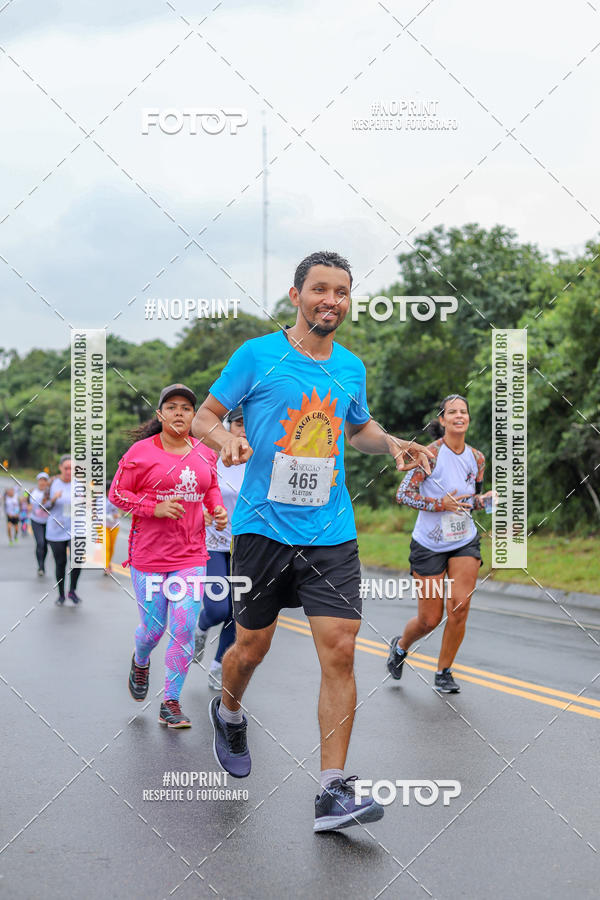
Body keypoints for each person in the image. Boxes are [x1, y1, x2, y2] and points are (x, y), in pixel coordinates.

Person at [192, 250, 434, 832]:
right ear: (297, 295)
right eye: (320, 289)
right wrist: (224, 438)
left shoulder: (350, 367)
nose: (332, 300)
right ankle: (228, 711)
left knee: (342, 649)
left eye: (342, 292)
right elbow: (205, 415)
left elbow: (358, 426)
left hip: (331, 529)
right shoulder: (257, 355)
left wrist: (394, 442)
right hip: (262, 527)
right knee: (251, 647)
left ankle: (332, 792)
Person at [109, 384, 227, 728]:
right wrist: (153, 507)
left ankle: (170, 702)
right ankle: (141, 658)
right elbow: (117, 493)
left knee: (184, 625)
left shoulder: (205, 452)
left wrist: (217, 509)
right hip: (148, 558)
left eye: (187, 408)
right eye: (172, 407)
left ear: (194, 416)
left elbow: (212, 487)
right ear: (160, 415)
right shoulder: (140, 453)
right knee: (153, 628)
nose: (179, 412)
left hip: (191, 555)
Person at [387, 394, 496, 693]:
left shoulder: (477, 458)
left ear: (468, 419)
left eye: (464, 411)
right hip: (429, 544)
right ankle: (400, 646)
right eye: (452, 412)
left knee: (459, 607)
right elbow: (403, 495)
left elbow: (469, 501)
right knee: (429, 619)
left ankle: (443, 671)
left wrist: (486, 502)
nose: (459, 416)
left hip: (463, 540)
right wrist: (440, 504)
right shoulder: (429, 455)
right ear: (443, 420)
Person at [193, 406, 246, 691]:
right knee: (217, 607)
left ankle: (218, 666)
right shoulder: (212, 459)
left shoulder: (260, 462)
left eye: (249, 424)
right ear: (227, 427)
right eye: (238, 424)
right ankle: (201, 628)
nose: (244, 430)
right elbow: (195, 492)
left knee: (237, 612)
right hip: (213, 542)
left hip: (246, 546)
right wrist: (201, 512)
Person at [46, 455, 83, 605]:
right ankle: (61, 594)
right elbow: (44, 506)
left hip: (76, 529)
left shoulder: (79, 484)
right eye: (66, 468)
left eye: (72, 468)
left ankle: (72, 591)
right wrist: (53, 498)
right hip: (56, 530)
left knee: (77, 561)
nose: (69, 471)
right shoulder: (52, 483)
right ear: (61, 468)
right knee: (60, 563)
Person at [30, 472, 50, 575]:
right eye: (41, 480)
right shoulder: (34, 493)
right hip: (36, 521)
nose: (42, 482)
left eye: (45, 480)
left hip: (48, 522)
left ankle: (42, 564)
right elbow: (26, 498)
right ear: (38, 481)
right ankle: (40, 566)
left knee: (45, 545)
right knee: (40, 543)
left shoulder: (50, 492)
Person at [103, 483, 121, 575]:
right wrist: (109, 516)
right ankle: (106, 567)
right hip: (104, 526)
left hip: (115, 526)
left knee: (112, 548)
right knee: (106, 546)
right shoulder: (100, 500)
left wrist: (119, 514)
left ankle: (108, 563)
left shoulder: (116, 498)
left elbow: (122, 509)